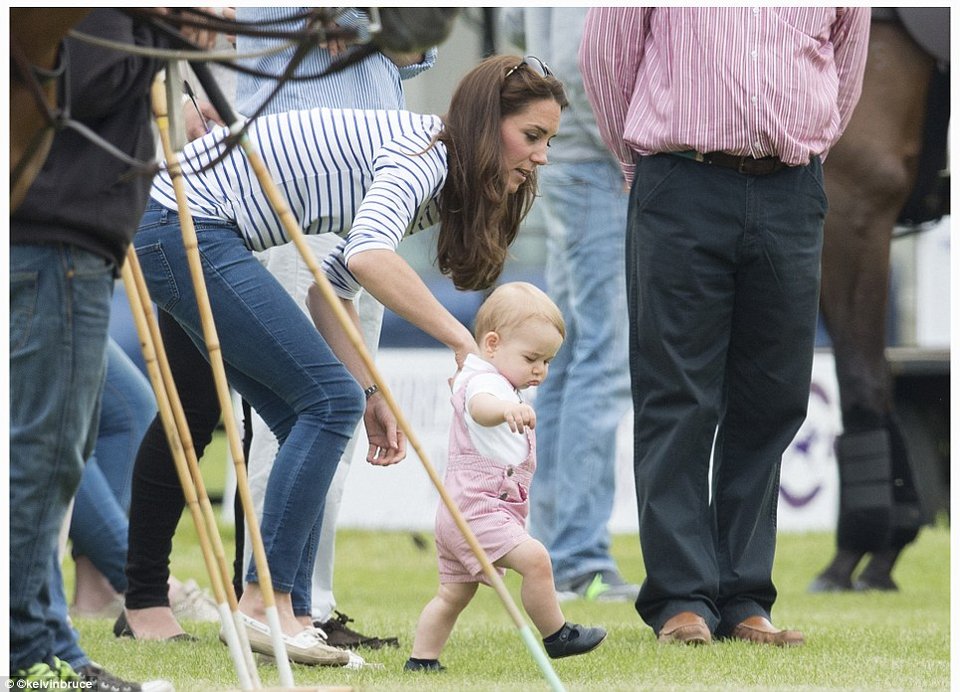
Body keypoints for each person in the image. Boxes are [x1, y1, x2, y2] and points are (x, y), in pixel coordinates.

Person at [126, 54, 567, 666]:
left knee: (316, 408)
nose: (541, 155)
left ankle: (295, 614)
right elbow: (367, 257)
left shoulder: (442, 173)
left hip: (186, 225)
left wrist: (372, 392)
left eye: (548, 140)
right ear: (485, 123)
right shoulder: (426, 155)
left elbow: (329, 290)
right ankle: (263, 605)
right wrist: (463, 342)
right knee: (325, 402)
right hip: (182, 221)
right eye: (532, 136)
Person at [580, 7, 871, 645]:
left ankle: (744, 599)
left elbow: (845, 70)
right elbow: (606, 61)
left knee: (773, 398)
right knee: (676, 393)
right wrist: (642, 167)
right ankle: (681, 599)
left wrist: (808, 143)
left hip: (791, 190)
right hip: (681, 178)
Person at [9, 8, 213, 689]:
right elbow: (86, 87)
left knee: (52, 453)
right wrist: (164, 29)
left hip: (71, 240)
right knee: (44, 457)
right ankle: (30, 653)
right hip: (57, 240)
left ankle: (46, 641)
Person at [499, 7, 638, 603]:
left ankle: (555, 544)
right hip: (599, 162)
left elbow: (513, 29)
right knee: (602, 361)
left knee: (565, 355)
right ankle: (579, 553)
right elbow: (584, 65)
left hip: (574, 156)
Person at [405, 283, 606, 672]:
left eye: (547, 362)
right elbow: (480, 409)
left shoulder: (493, 378)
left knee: (453, 595)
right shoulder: (485, 383)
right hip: (478, 509)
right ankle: (557, 635)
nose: (540, 370)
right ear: (492, 344)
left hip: (461, 511)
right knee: (535, 559)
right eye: (532, 358)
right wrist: (504, 410)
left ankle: (422, 661)